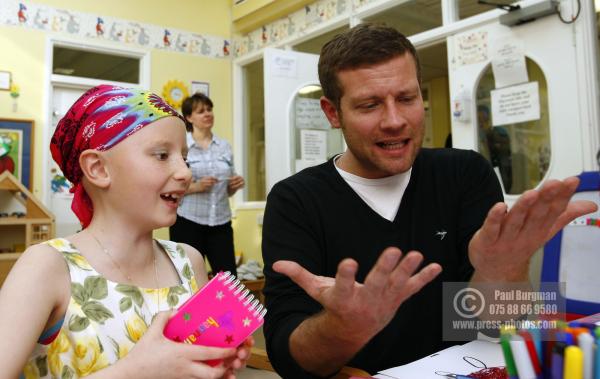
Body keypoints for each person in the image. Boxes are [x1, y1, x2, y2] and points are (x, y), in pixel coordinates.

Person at [261, 23, 598, 378]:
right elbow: (289, 360)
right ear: (332, 113)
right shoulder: (295, 200)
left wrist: (502, 271)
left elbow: (490, 320)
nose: (395, 121)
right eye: (370, 105)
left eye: (406, 98)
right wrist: (343, 328)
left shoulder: (464, 173)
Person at [0, 85, 252, 378]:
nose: (184, 173)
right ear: (98, 168)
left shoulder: (189, 261)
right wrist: (137, 371)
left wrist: (213, 363)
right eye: (161, 155)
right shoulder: (47, 267)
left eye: (185, 157)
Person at [170, 93, 244, 276]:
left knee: (228, 281)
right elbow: (170, 185)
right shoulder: (180, 145)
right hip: (188, 222)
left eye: (209, 109)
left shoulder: (224, 146)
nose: (207, 114)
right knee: (189, 280)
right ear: (189, 117)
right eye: (201, 111)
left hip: (221, 222)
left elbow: (227, 191)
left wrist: (234, 185)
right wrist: (196, 187)